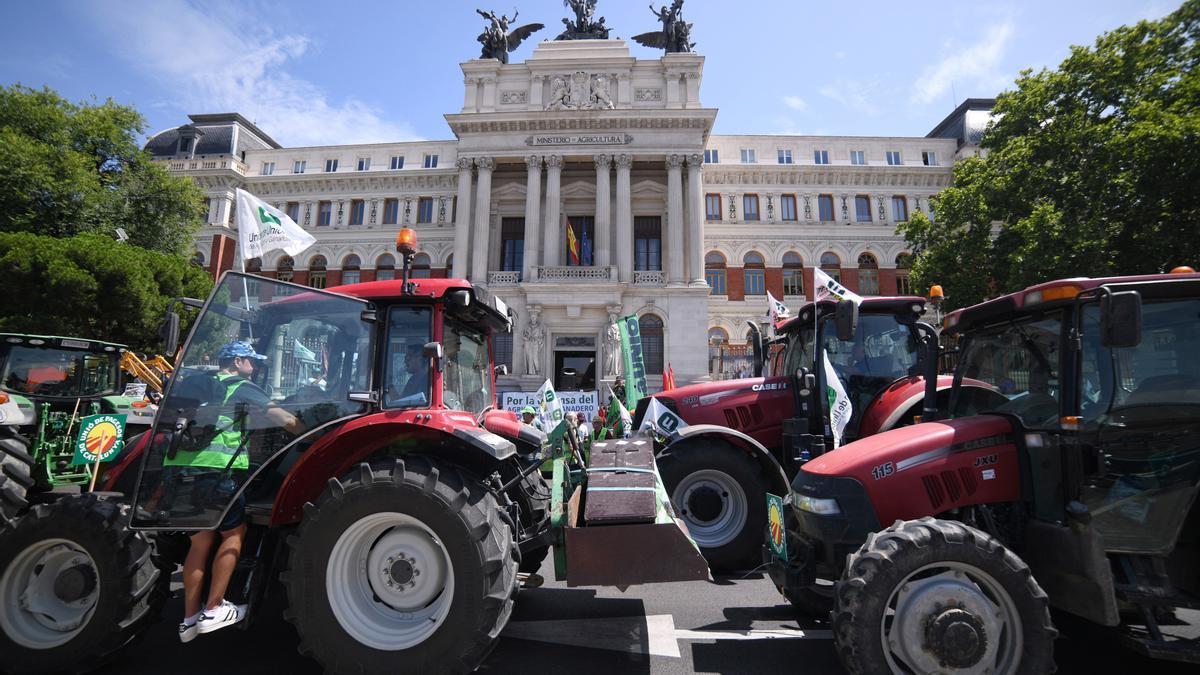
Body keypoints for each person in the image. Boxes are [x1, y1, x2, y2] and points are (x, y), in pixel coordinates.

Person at [169, 342, 303, 643]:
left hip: (180, 469)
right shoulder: (241, 387)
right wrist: (310, 431)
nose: (254, 368)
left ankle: (189, 618)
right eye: (250, 362)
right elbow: (284, 420)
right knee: (233, 534)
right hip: (216, 471)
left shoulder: (194, 383)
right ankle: (214, 607)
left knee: (200, 542)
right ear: (238, 361)